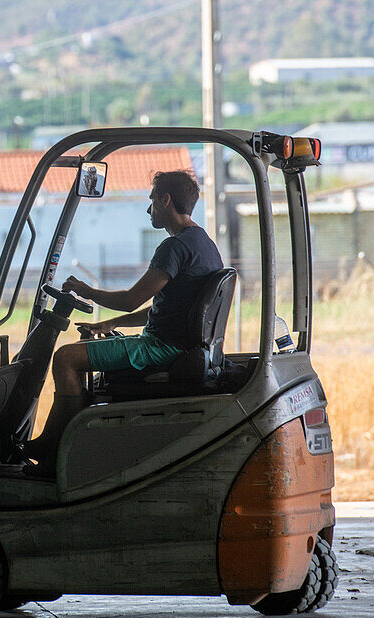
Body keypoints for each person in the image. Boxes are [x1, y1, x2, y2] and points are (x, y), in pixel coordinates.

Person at [21, 169, 223, 476]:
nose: (148, 208)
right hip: (174, 345)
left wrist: (85, 290)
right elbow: (164, 308)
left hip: (160, 349)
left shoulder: (175, 247)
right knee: (82, 352)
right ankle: (53, 441)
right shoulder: (204, 245)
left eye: (152, 200)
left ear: (166, 200)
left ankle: (53, 456)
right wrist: (108, 324)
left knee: (65, 359)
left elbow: (131, 299)